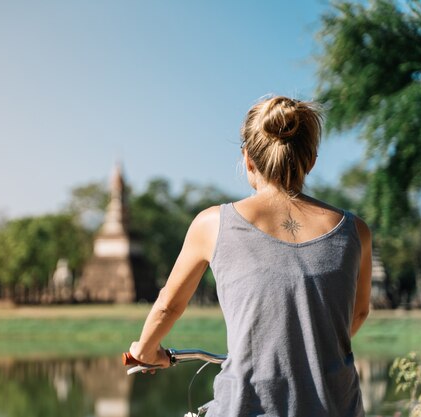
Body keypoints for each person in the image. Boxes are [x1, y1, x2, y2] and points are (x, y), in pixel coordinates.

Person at [128, 95, 372, 416]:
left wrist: (144, 350)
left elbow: (169, 306)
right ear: (311, 161)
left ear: (248, 159)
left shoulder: (213, 224)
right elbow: (357, 315)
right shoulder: (356, 231)